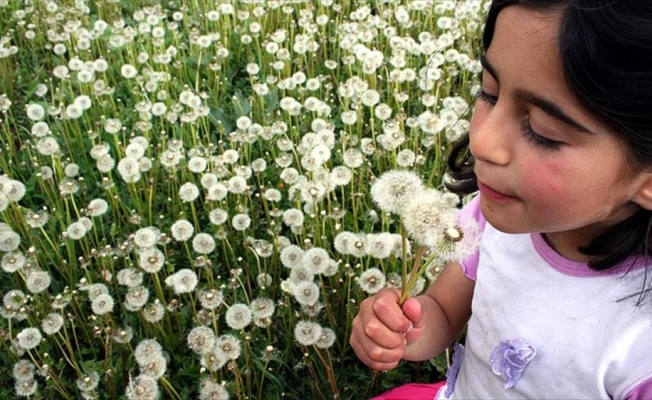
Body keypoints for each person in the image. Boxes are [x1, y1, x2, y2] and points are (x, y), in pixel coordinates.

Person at [349, 0, 652, 398]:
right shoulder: (493, 219)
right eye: (489, 93)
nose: (482, 140)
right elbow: (441, 310)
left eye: (543, 131)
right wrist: (404, 330)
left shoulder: (639, 348)